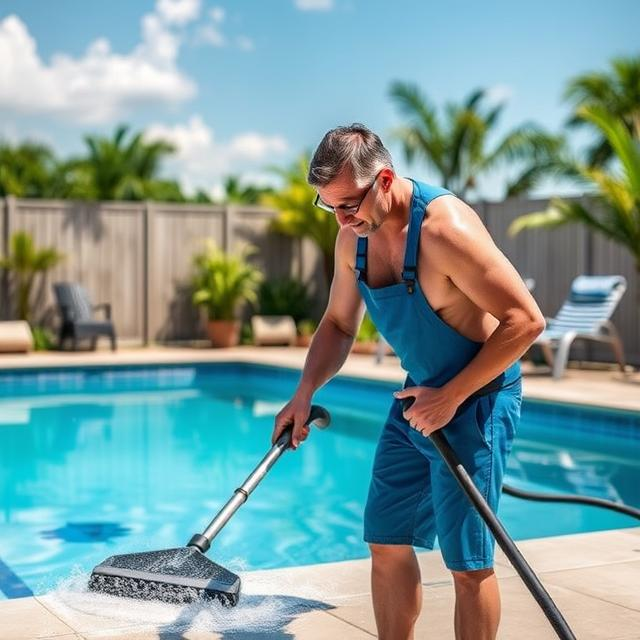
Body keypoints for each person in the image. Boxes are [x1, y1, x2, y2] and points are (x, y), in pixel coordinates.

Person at [272, 123, 545, 640]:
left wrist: (453, 396)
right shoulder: (352, 236)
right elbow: (337, 324)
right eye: (330, 207)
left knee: (468, 563)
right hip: (416, 399)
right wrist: (303, 394)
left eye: (350, 204)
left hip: (477, 402)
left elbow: (526, 320)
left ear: (386, 179)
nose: (344, 219)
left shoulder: (445, 230)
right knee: (385, 537)